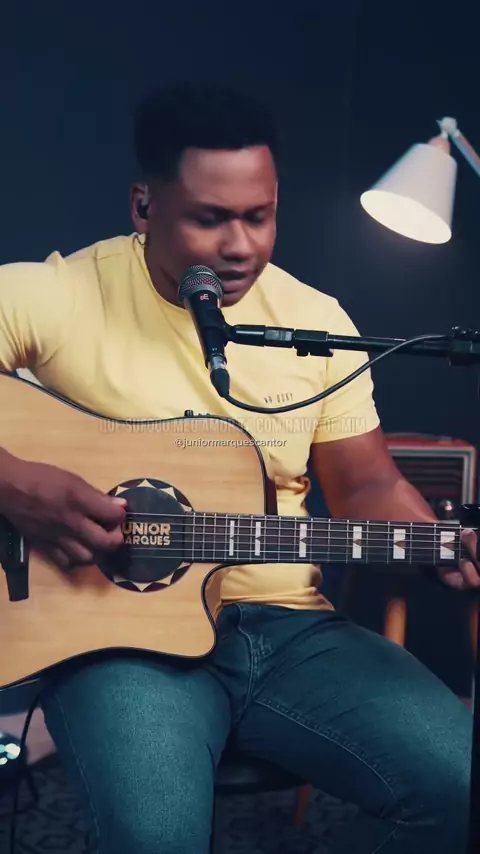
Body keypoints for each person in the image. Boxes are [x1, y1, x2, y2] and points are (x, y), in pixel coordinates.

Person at [0, 82, 475, 854]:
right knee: (154, 837)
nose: (241, 246)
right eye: (210, 217)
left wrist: (437, 545)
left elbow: (366, 484)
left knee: (462, 785)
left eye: (259, 216)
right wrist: (15, 484)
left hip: (288, 629)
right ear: (144, 206)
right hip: (122, 643)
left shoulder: (316, 322)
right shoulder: (59, 294)